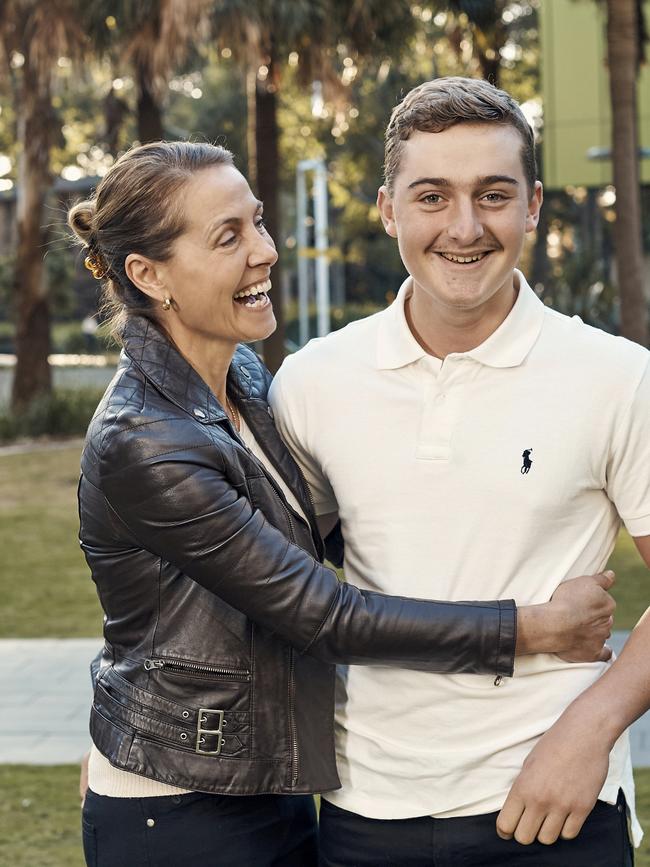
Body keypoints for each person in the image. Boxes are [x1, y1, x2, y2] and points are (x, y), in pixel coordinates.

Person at [70, 140, 614, 867]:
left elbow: (322, 532)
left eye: (258, 223)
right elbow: (322, 613)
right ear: (149, 274)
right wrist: (532, 628)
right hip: (177, 806)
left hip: (269, 784)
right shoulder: (145, 439)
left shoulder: (247, 383)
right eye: (227, 237)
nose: (263, 251)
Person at [270, 76, 650, 866]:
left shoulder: (618, 377)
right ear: (388, 210)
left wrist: (592, 726)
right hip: (364, 805)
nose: (466, 228)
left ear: (535, 204)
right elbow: (275, 595)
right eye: (433, 197)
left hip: (555, 804)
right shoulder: (313, 382)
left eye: (495, 195)